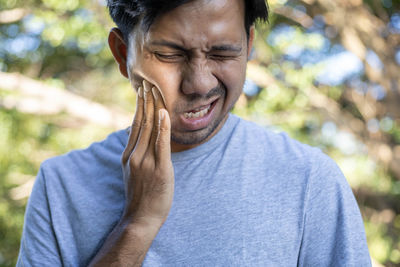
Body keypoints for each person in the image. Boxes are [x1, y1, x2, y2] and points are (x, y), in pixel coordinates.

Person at [17, 0, 371, 266]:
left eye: (222, 53)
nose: (200, 84)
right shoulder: (60, 185)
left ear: (248, 46)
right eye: (170, 54)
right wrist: (137, 224)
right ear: (122, 53)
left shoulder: (309, 180)